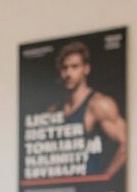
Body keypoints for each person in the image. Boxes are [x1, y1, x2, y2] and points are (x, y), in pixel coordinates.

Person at [54, 41, 127, 178]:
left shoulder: (99, 104)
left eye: (75, 67)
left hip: (88, 191)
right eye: (65, 68)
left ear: (86, 69)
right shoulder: (55, 109)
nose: (68, 73)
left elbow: (126, 143)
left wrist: (105, 177)